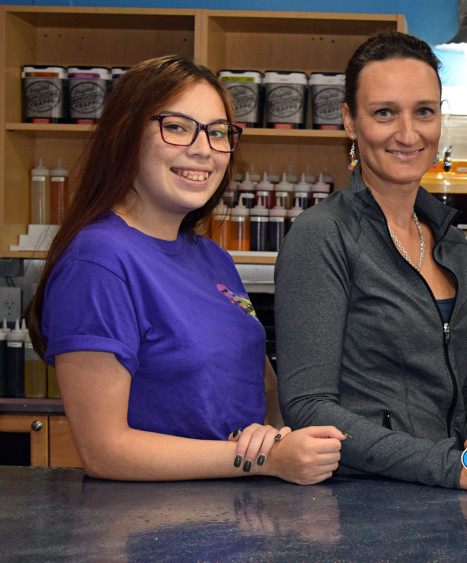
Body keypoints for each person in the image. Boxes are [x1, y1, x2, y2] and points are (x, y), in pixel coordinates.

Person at [26, 55, 344, 484]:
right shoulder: (98, 260)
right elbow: (104, 450)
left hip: (235, 519)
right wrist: (263, 460)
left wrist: (271, 438)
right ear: (125, 134)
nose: (202, 149)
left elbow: (256, 387)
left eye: (217, 133)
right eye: (176, 127)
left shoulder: (214, 258)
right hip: (150, 530)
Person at [274, 31, 467, 490]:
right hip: (360, 504)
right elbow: (308, 405)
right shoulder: (323, 233)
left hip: (452, 498)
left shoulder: (453, 243)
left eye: (424, 112)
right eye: (384, 113)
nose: (408, 133)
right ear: (350, 121)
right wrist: (450, 468)